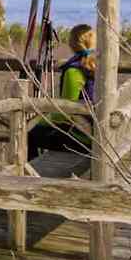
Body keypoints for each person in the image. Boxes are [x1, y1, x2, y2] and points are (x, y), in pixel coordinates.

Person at [27, 24, 95, 161]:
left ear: (72, 44)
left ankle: (32, 175)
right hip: (95, 131)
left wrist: (40, 119)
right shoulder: (96, 67)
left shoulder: (73, 72)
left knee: (29, 134)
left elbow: (63, 114)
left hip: (81, 139)